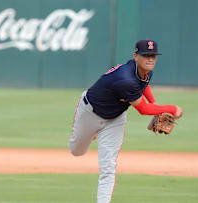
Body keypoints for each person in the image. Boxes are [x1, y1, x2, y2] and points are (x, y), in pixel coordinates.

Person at [69, 39, 183, 203]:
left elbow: (143, 85)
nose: (150, 59)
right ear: (136, 56)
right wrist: (171, 108)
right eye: (146, 55)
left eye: (153, 55)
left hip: (115, 118)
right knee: (77, 151)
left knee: (108, 167)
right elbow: (143, 110)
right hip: (90, 112)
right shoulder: (125, 78)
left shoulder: (146, 71)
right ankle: (91, 133)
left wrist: (154, 103)